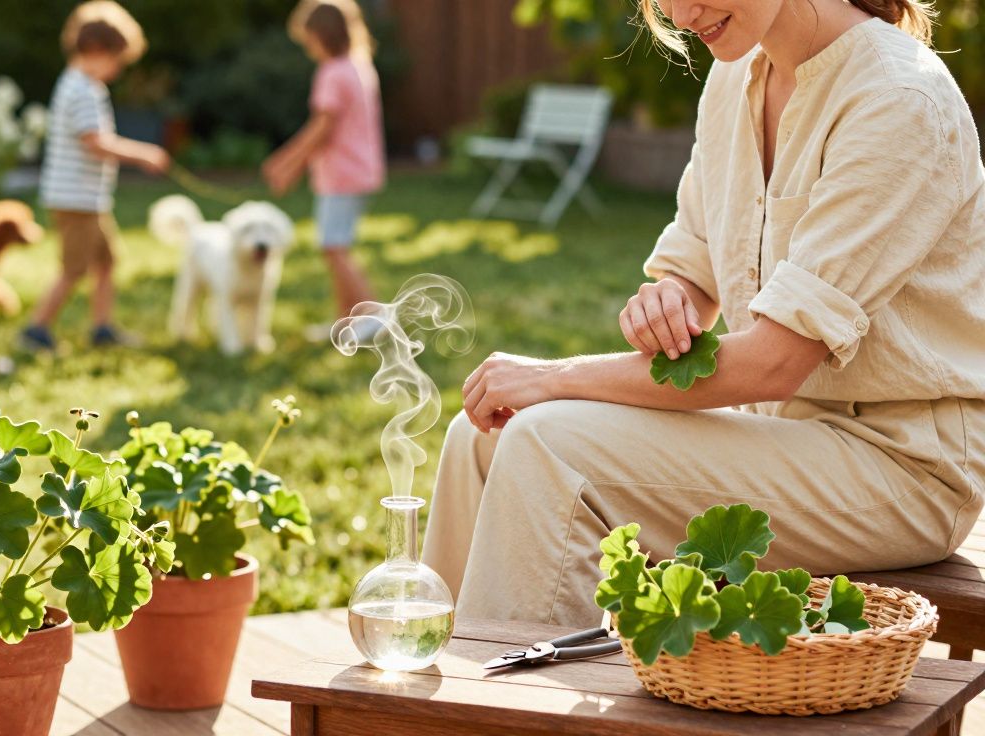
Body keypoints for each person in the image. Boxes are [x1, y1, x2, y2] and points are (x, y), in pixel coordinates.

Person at [424, 0, 985, 628]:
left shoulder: (899, 99)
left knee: (547, 443)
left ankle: (514, 713)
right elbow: (694, 266)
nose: (682, 12)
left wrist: (551, 379)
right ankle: (427, 702)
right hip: (779, 434)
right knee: (485, 436)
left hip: (902, 470)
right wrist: (667, 301)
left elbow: (773, 362)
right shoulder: (735, 75)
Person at [23, 1, 170, 350]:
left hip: (88, 196)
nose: (118, 69)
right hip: (74, 198)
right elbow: (97, 143)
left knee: (106, 260)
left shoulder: (82, 85)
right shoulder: (80, 90)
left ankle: (102, 328)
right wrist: (143, 154)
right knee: (74, 268)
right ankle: (36, 329)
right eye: (117, 60)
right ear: (94, 50)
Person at [263, 0, 384, 332]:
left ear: (321, 35)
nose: (308, 47)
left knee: (334, 247)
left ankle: (375, 318)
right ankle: (345, 322)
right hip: (360, 170)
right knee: (336, 244)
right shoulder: (358, 65)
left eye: (309, 39)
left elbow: (322, 128)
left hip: (343, 174)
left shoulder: (332, 72)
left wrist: (285, 162)